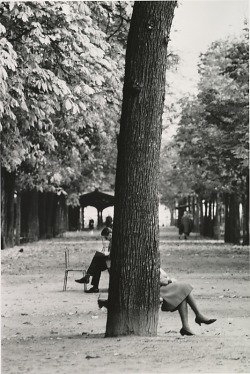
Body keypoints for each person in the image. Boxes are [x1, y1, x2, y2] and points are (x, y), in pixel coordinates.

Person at [98, 268, 216, 336]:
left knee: (183, 293)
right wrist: (169, 280)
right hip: (154, 290)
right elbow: (153, 279)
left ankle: (187, 326)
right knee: (185, 287)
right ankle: (198, 316)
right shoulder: (143, 260)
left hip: (160, 288)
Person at [75, 227, 112, 293]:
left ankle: (88, 277)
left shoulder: (113, 241)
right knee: (97, 265)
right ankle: (94, 286)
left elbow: (112, 255)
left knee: (97, 258)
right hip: (109, 261)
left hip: (111, 261)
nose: (106, 239)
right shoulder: (111, 241)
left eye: (106, 237)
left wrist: (105, 255)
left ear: (110, 235)